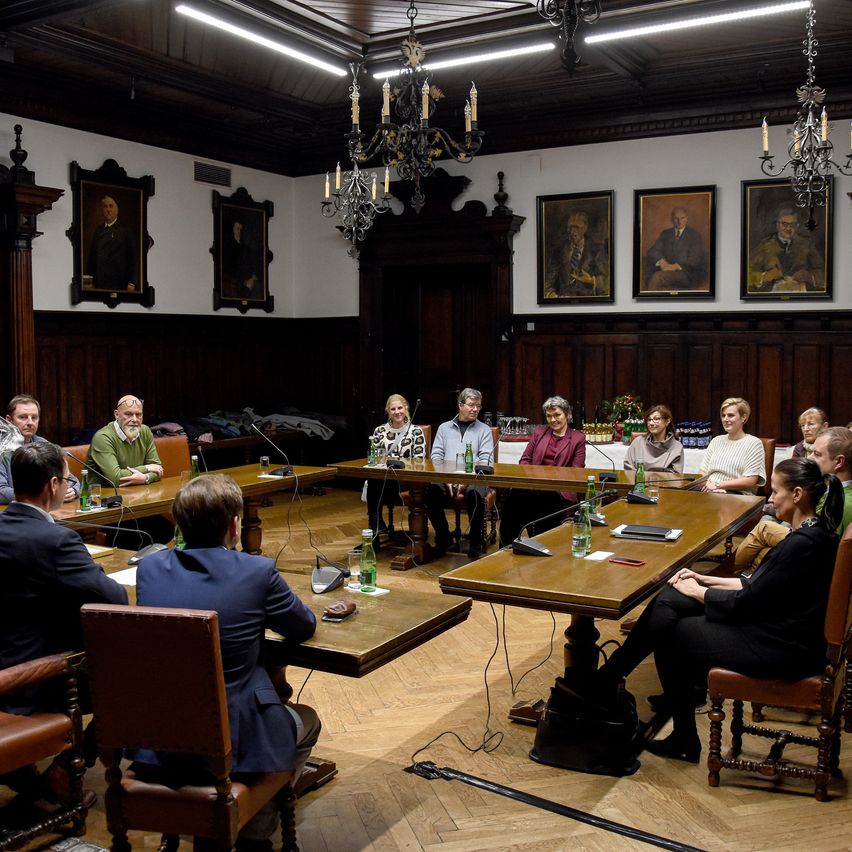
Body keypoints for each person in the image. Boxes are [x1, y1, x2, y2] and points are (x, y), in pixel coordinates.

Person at [592, 457, 842, 764]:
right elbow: (758, 583)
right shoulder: (816, 533)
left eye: (775, 491)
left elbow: (749, 602)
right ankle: (610, 680)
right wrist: (702, 578)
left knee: (674, 631)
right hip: (783, 631)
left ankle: (617, 688)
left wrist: (699, 592)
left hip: (786, 648)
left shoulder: (802, 543)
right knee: (670, 600)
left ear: (798, 494)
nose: (771, 497)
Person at [134, 474, 320, 848]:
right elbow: (302, 625)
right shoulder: (256, 571)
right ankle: (251, 831)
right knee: (307, 722)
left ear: (179, 524)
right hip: (237, 737)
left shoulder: (149, 568)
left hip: (162, 734)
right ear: (236, 525)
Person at [0, 442, 128, 714]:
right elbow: (115, 597)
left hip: (7, 662)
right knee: (134, 669)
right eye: (68, 478)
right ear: (53, 484)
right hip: (39, 676)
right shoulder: (57, 541)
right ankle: (89, 750)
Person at [499, 396, 585, 546]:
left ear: (566, 414)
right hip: (534, 485)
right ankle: (507, 546)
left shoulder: (578, 438)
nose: (552, 419)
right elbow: (524, 460)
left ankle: (542, 546)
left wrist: (550, 478)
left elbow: (576, 471)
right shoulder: (540, 432)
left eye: (557, 415)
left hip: (558, 490)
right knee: (514, 496)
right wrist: (533, 477)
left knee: (546, 499)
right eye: (549, 415)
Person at [425, 388, 494, 559]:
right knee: (431, 493)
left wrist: (466, 479)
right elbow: (436, 457)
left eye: (478, 406)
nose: (475, 409)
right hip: (447, 477)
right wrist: (448, 479)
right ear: (460, 405)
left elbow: (485, 459)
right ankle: (443, 536)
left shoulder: (484, 429)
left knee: (474, 493)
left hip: (475, 478)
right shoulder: (444, 428)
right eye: (471, 405)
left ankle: (476, 541)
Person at [365, 393, 427, 539]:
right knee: (374, 480)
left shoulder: (415, 431)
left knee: (375, 484)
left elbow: (419, 460)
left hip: (405, 480)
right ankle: (375, 527)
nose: (397, 412)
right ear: (388, 411)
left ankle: (374, 529)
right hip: (384, 478)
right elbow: (374, 456)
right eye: (393, 409)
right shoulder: (379, 431)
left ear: (406, 409)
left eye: (400, 408)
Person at [0, 394, 79, 503]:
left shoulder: (43, 444)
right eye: (22, 417)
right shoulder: (2, 449)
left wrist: (73, 490)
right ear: (9, 420)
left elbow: (71, 480)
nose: (30, 422)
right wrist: (41, 496)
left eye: (34, 417)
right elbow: (1, 492)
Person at [86, 394, 164, 487]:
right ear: (116, 415)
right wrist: (147, 468)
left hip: (136, 492)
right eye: (128, 414)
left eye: (138, 414)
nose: (134, 419)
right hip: (102, 496)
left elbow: (158, 469)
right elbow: (116, 479)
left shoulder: (145, 431)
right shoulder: (103, 437)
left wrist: (145, 478)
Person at [748, 205, 824, 293]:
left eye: (793, 224)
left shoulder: (806, 244)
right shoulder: (765, 245)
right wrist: (764, 276)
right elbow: (746, 273)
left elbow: (823, 270)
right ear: (777, 224)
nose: (788, 228)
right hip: (771, 296)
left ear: (798, 226)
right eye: (784, 224)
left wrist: (810, 276)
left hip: (800, 295)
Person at [698, 397, 766, 493]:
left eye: (730, 415)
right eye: (723, 415)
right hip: (709, 489)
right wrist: (707, 484)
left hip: (738, 494)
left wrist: (719, 485)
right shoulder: (716, 441)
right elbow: (702, 472)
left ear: (743, 417)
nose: (725, 419)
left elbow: (750, 480)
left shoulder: (754, 443)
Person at [544, 210, 609, 298]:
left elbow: (606, 283)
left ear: (585, 228)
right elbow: (548, 283)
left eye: (577, 227)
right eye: (570, 227)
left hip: (589, 303)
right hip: (563, 302)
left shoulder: (596, 250)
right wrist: (555, 297)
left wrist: (591, 280)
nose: (572, 232)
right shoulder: (558, 251)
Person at [644, 206, 707, 291]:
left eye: (682, 218)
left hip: (686, 273)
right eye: (676, 218)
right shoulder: (666, 234)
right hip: (666, 270)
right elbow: (652, 251)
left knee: (657, 277)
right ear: (672, 219)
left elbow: (695, 259)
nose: (679, 221)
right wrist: (661, 261)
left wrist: (675, 266)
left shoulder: (694, 236)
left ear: (687, 218)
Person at [86, 194, 137, 291]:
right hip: (99, 283)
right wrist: (89, 280)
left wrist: (132, 282)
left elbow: (133, 259)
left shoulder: (126, 231)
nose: (108, 210)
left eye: (111, 206)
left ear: (117, 209)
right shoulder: (98, 230)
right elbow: (92, 258)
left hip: (118, 284)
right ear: (102, 210)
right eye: (105, 207)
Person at [623, 404, 684, 474]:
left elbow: (675, 477)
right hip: (639, 483)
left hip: (664, 484)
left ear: (667, 421)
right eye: (649, 420)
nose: (651, 423)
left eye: (656, 419)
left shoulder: (676, 447)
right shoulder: (638, 442)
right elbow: (629, 469)